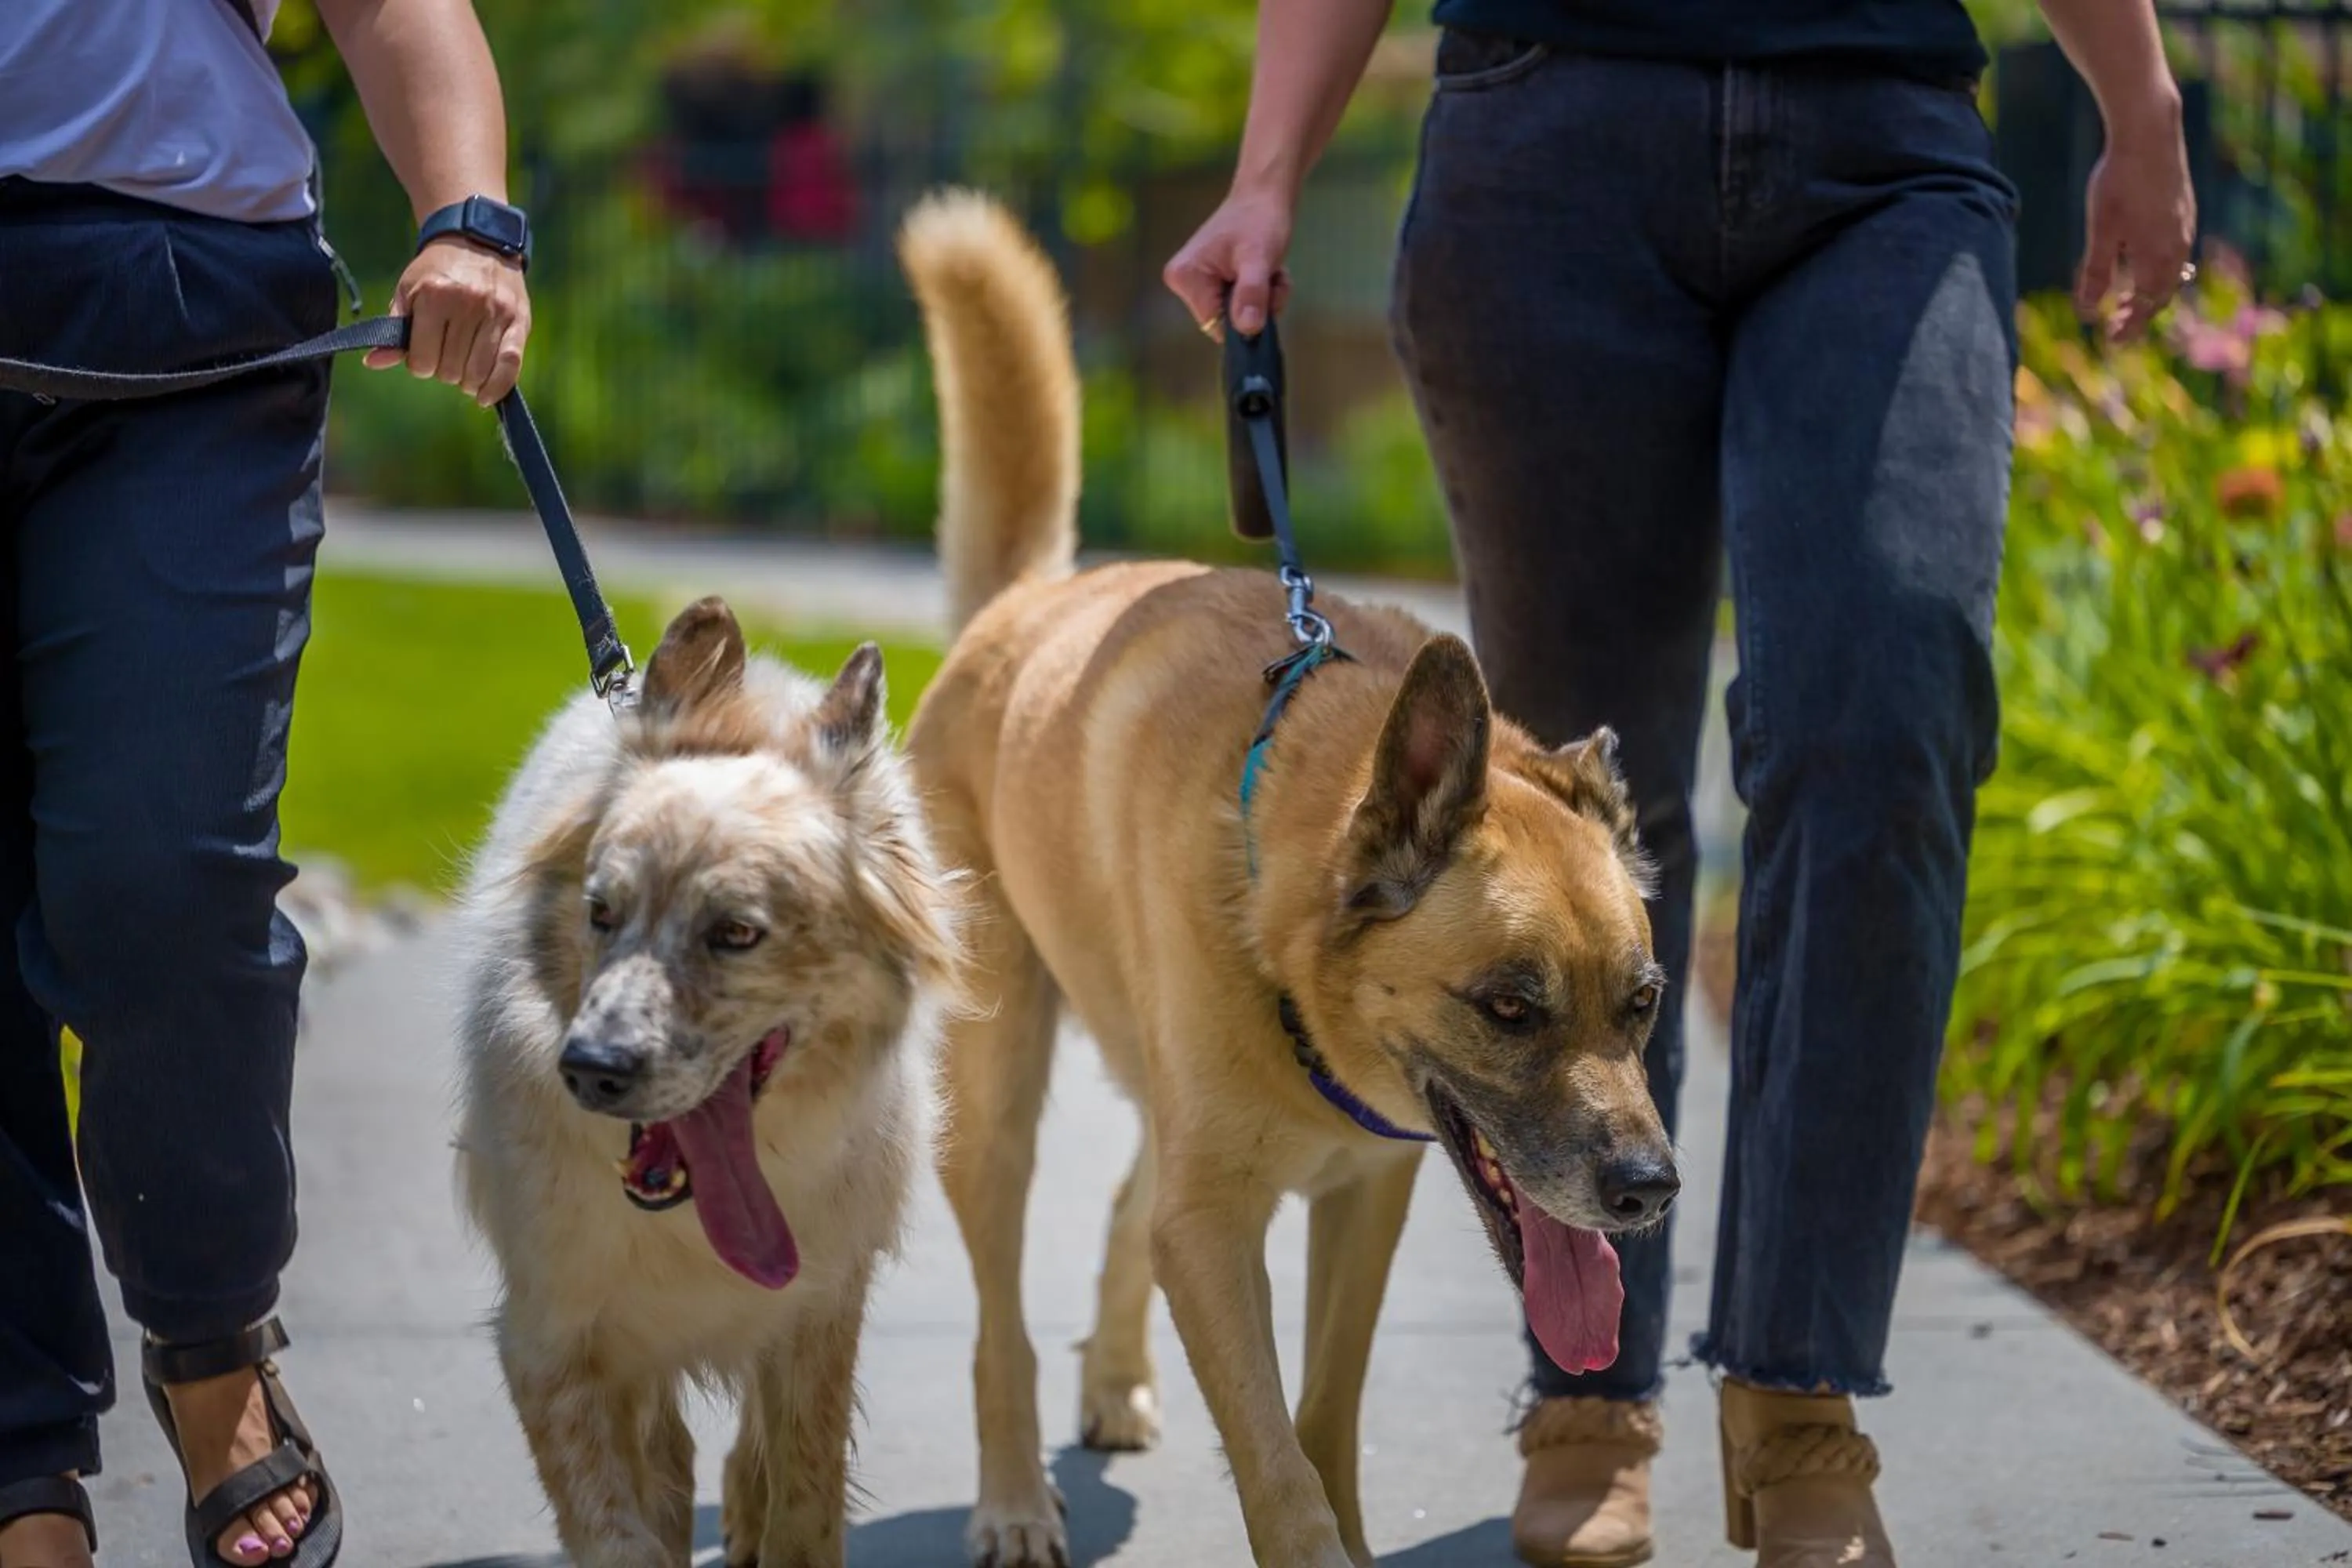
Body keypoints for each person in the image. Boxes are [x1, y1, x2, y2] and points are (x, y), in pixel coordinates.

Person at [1167, 2, 2193, 1564]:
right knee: (1566, 797)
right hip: (1548, 129)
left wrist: (2143, 93)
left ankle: (1799, 1394)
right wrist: (1266, 168)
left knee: (1886, 707)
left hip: (1882, 146)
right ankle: (1592, 1395)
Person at [0, 2, 532, 1564]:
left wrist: (470, 221)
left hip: (182, 311)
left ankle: (209, 1328)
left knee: (160, 881)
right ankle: (22, 1457)